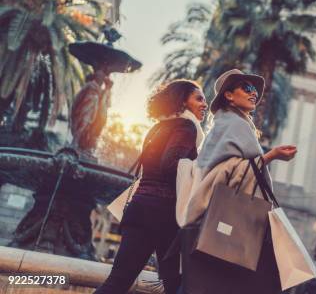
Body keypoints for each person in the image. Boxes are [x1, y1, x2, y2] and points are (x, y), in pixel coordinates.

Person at [178, 69, 297, 294]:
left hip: (211, 219)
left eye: (255, 90)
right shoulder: (235, 125)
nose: (254, 94)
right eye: (246, 88)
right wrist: (271, 156)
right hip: (227, 221)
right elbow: (223, 172)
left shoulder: (226, 124)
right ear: (229, 96)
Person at [95, 79, 207, 294]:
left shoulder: (158, 127)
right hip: (164, 214)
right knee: (178, 287)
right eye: (199, 99)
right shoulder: (187, 127)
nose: (204, 104)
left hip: (140, 209)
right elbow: (170, 165)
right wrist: (201, 170)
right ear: (182, 101)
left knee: (118, 282)